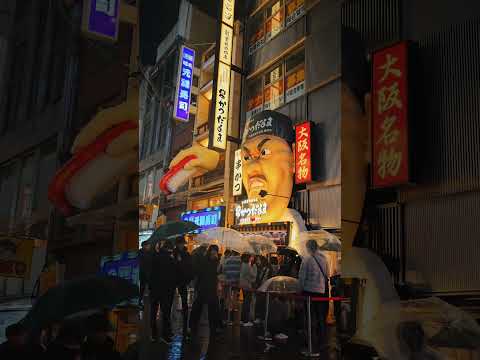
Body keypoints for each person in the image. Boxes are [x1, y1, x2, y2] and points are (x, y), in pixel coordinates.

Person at [298, 239, 330, 350]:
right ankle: (322, 341)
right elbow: (327, 274)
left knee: (309, 316)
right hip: (321, 292)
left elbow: (302, 277)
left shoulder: (307, 259)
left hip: (308, 291)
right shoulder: (324, 259)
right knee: (320, 316)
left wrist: (300, 290)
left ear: (308, 248)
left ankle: (310, 341)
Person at [149, 239, 178, 344]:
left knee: (153, 311)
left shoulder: (155, 257)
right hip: (166, 290)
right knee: (165, 313)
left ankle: (153, 334)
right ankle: (165, 335)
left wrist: (151, 287)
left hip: (155, 289)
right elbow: (174, 274)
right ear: (169, 248)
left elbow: (151, 273)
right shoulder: (171, 259)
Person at [189, 245, 221, 337]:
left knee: (213, 308)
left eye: (215, 251)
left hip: (211, 288)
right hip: (203, 287)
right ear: (209, 251)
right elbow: (198, 271)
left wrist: (217, 264)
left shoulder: (217, 261)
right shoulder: (204, 260)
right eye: (212, 251)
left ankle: (214, 327)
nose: (213, 253)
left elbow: (217, 273)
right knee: (197, 307)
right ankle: (192, 326)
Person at [173, 236, 193, 334]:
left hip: (182, 281)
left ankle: (186, 321)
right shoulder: (173, 254)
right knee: (172, 301)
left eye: (182, 243)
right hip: (173, 281)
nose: (181, 245)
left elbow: (189, 267)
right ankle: (173, 319)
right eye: (179, 243)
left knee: (184, 301)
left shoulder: (186, 254)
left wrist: (188, 279)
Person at [239, 254, 257, 326]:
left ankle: (242, 319)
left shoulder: (242, 264)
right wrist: (253, 268)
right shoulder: (247, 266)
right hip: (247, 286)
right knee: (247, 302)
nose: (250, 258)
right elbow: (253, 275)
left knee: (245, 302)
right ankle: (246, 320)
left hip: (243, 285)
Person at [254, 256, 270, 324]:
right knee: (261, 303)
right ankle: (261, 318)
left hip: (263, 288)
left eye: (258, 260)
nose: (257, 262)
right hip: (262, 288)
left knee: (261, 303)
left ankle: (260, 317)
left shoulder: (266, 269)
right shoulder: (260, 268)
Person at [138, 240, 153, 307]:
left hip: (145, 273)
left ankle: (141, 301)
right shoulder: (143, 253)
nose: (149, 246)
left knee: (144, 288)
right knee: (144, 288)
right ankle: (141, 301)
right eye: (148, 245)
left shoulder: (145, 252)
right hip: (145, 273)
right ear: (144, 246)